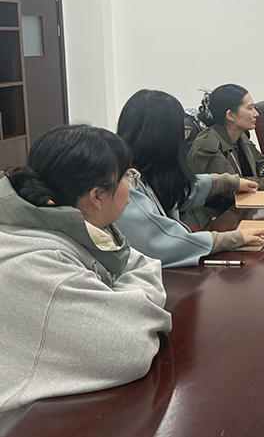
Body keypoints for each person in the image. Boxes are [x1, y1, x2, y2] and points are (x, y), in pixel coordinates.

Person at [0, 125, 172, 434]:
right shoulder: (38, 264)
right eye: (127, 177)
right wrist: (136, 304)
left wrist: (128, 300)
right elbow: (129, 348)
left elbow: (138, 261)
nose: (131, 186)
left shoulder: (68, 227)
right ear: (97, 196)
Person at [116, 90, 264, 268]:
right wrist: (237, 238)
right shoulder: (126, 185)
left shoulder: (148, 171)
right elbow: (164, 243)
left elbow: (180, 188)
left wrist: (229, 181)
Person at [186, 84, 264, 227]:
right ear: (231, 115)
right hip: (216, 220)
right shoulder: (207, 146)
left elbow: (262, 162)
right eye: (250, 108)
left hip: (243, 210)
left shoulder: (240, 136)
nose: (256, 113)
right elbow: (233, 186)